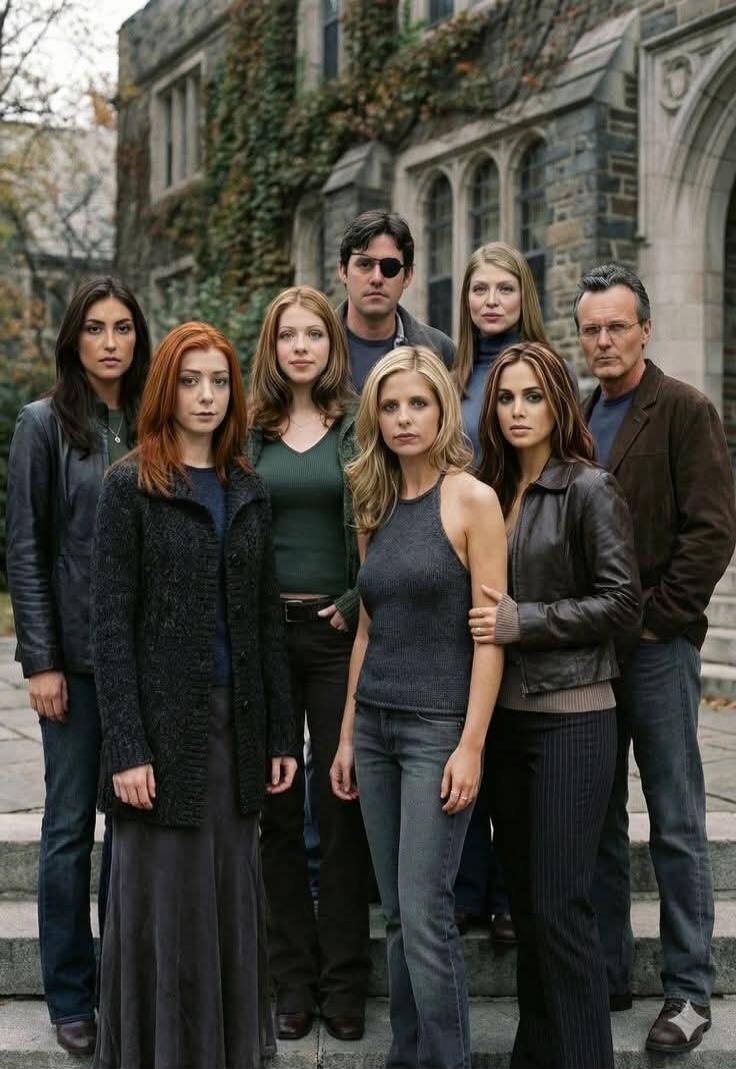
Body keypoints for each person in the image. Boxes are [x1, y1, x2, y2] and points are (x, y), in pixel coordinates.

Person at [90, 321, 297, 1069]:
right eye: (189, 381)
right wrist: (126, 747)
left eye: (218, 382)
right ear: (166, 390)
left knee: (228, 899)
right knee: (161, 904)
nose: (205, 396)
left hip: (234, 727)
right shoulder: (130, 486)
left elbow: (265, 621)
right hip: (158, 734)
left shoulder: (248, 489)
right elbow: (110, 627)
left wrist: (280, 735)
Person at [331, 346, 506, 1069]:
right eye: (391, 405)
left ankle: (448, 1059)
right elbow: (367, 629)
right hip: (374, 726)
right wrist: (346, 735)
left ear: (442, 410)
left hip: (438, 729)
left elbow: (491, 637)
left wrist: (471, 745)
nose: (404, 418)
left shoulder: (473, 500)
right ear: (376, 416)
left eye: (418, 404)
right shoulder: (371, 501)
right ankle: (407, 1055)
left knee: (427, 912)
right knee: (399, 915)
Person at [576, 264, 736, 1054]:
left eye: (617, 326)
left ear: (645, 328)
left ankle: (689, 989)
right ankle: (610, 970)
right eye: (591, 328)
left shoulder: (683, 408)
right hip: (589, 654)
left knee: (674, 817)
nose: (603, 340)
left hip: (655, 650)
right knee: (600, 816)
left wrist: (656, 620)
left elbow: (713, 529)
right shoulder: (578, 413)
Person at [470, 340, 641, 1069]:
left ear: (559, 404)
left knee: (561, 907)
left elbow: (622, 601)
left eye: (533, 396)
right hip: (505, 721)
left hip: (574, 717)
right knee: (530, 909)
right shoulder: (487, 489)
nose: (518, 410)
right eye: (506, 397)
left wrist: (526, 621)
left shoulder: (589, 488)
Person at [5, 276, 151, 1056]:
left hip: (144, 659)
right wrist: (41, 660)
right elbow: (26, 548)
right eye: (95, 328)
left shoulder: (154, 419)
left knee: (131, 824)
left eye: (123, 327)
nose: (110, 342)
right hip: (75, 660)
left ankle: (120, 980)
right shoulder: (43, 424)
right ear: (74, 339)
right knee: (67, 827)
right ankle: (70, 991)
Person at [248, 285, 372, 1042]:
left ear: (332, 345)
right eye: (288, 335)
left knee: (339, 802)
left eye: (314, 334)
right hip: (267, 636)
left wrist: (358, 598)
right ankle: (290, 980)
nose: (301, 346)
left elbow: (387, 517)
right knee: (275, 808)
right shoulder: (249, 430)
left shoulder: (357, 425)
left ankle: (345, 983)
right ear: (273, 345)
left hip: (335, 636)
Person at [453, 240, 556, 946]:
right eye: (479, 289)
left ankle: (512, 893)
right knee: (470, 727)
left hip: (528, 558)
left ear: (524, 296)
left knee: (516, 735)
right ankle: (469, 885)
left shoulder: (543, 370)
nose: (491, 301)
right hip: (464, 562)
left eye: (505, 289)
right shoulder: (452, 374)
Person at [337, 210, 455, 390]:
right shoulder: (310, 347)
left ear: (407, 275)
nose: (376, 278)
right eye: (365, 264)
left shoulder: (441, 351)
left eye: (390, 267)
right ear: (343, 271)